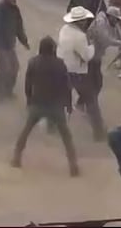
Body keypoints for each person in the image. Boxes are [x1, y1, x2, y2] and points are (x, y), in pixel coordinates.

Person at [13, 37, 79, 176]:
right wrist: (68, 104)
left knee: (26, 131)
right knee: (66, 136)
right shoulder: (60, 64)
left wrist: (29, 99)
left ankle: (16, 158)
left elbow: (28, 84)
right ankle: (73, 166)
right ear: (53, 49)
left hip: (38, 103)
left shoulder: (33, 62)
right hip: (55, 105)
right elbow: (66, 86)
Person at [57, 6, 105, 141]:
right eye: (83, 20)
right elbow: (87, 56)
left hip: (62, 68)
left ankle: (53, 127)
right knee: (91, 102)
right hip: (78, 72)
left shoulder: (64, 29)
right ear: (79, 21)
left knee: (59, 100)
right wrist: (92, 45)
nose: (85, 22)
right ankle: (99, 133)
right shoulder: (80, 36)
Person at [0, 0, 30, 101]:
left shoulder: (15, 10)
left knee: (15, 68)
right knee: (5, 69)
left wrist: (24, 41)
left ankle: (8, 91)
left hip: (10, 44)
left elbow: (19, 28)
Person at [85, 6, 121, 102]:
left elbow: (120, 36)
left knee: (96, 82)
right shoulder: (100, 23)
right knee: (94, 82)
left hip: (97, 55)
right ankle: (88, 102)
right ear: (110, 17)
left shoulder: (113, 23)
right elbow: (105, 40)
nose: (117, 22)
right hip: (90, 54)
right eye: (116, 19)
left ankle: (86, 101)